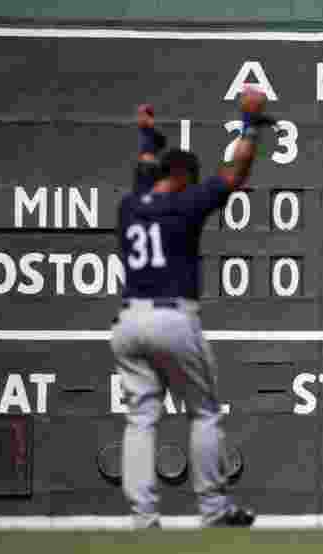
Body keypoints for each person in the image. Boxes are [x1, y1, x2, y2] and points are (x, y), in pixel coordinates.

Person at [110, 89, 268, 529]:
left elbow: (145, 174)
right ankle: (214, 510)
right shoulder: (186, 202)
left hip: (127, 322)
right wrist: (250, 125)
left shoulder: (129, 207)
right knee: (203, 411)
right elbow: (234, 175)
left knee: (140, 417)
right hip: (172, 318)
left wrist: (146, 138)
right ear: (184, 177)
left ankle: (143, 518)